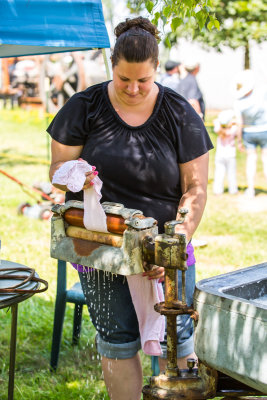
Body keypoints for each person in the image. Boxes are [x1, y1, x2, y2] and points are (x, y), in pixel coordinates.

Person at [47, 16, 213, 400]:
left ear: (157, 69)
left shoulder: (179, 113)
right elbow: (57, 171)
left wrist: (172, 244)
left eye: (143, 80)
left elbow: (196, 188)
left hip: (163, 248)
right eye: (124, 80)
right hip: (101, 247)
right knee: (116, 338)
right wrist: (74, 174)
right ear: (112, 67)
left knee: (178, 336)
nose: (134, 89)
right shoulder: (83, 107)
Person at [234, 69, 267, 198]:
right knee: (265, 160)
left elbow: (239, 122)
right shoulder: (261, 94)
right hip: (264, 130)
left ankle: (251, 189)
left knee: (251, 160)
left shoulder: (238, 102)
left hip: (248, 133)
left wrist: (239, 140)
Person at [213, 109, 238, 195]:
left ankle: (218, 190)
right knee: (231, 172)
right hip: (230, 154)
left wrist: (217, 123)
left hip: (220, 154)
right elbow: (229, 133)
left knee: (220, 172)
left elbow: (219, 130)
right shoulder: (234, 128)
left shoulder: (218, 128)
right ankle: (233, 190)